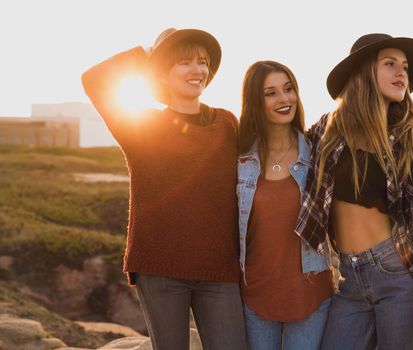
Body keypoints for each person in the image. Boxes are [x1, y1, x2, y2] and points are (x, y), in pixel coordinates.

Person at [81, 27, 247, 350]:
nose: (197, 70)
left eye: (202, 61)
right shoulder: (141, 128)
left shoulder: (227, 124)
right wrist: (148, 53)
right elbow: (94, 79)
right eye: (184, 62)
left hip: (219, 268)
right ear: (163, 73)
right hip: (160, 268)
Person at [294, 34, 413, 350]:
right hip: (349, 278)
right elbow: (286, 150)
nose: (402, 73)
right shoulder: (328, 130)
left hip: (396, 278)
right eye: (390, 64)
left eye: (405, 67)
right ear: (364, 72)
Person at [237, 60, 335, 350]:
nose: (284, 99)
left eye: (288, 89)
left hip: (310, 295)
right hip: (255, 296)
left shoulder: (318, 152)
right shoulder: (240, 161)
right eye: (271, 93)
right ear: (255, 101)